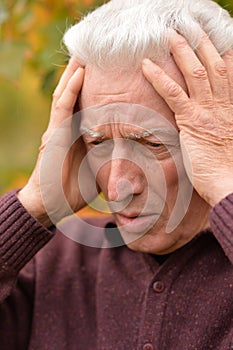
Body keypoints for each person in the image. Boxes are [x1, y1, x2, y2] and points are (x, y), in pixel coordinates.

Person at [1, 0, 233, 348]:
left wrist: (224, 185)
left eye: (152, 144)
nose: (117, 187)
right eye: (97, 143)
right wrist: (32, 205)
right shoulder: (46, 267)